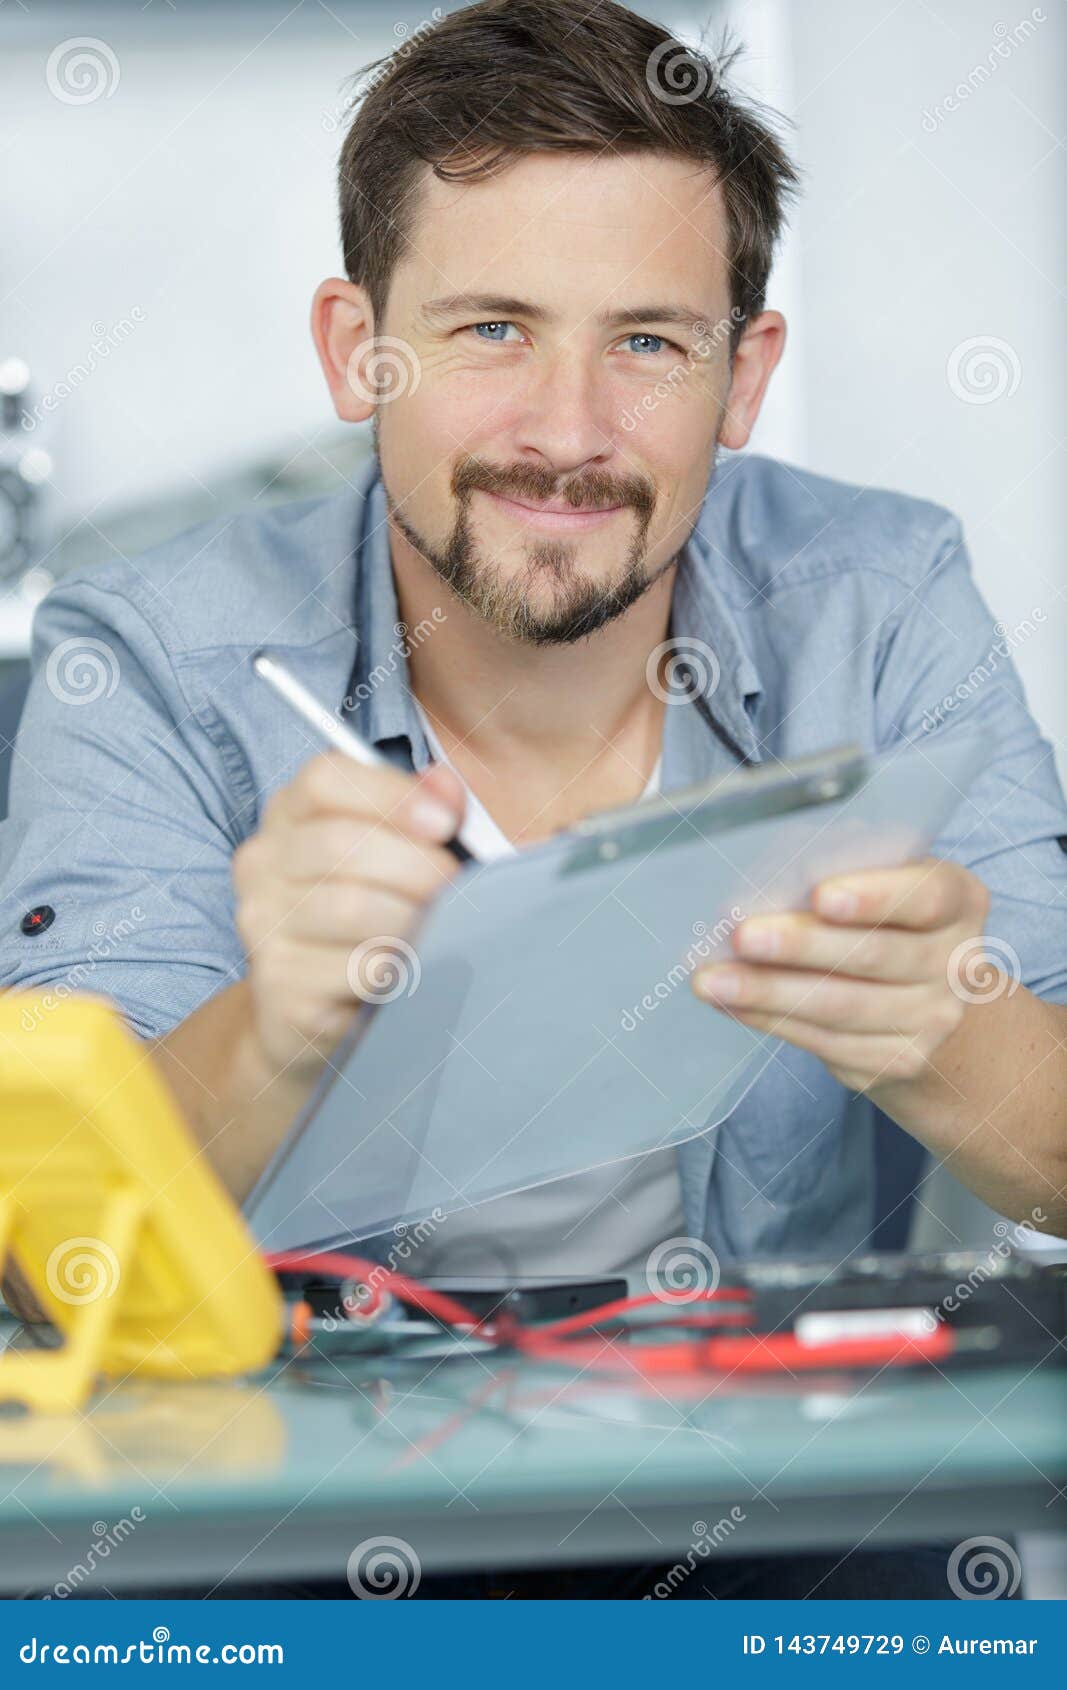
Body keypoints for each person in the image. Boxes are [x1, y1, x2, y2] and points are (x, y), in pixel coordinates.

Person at [2, 0, 1063, 1599]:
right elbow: (49, 1263)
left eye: (649, 343)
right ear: (356, 349)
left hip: (780, 1514)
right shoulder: (150, 653)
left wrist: (946, 1034)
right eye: (492, 328)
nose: (569, 434)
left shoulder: (884, 596)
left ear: (744, 375)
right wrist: (273, 1026)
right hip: (279, 1531)